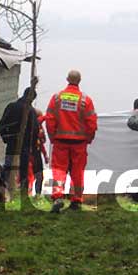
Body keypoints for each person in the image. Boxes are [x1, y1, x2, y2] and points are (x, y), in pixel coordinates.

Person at [45, 70, 98, 213]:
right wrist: (89, 138)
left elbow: (49, 119)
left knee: (58, 170)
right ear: (79, 81)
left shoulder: (56, 98)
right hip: (79, 143)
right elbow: (92, 123)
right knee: (78, 171)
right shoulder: (85, 100)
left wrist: (52, 137)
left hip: (60, 142)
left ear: (67, 79)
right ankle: (76, 199)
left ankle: (57, 197)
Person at [0, 88, 39, 192]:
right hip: (24, 148)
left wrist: (6, 139)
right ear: (32, 98)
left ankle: (5, 191)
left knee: (9, 168)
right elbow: (35, 132)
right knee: (22, 172)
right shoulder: (31, 111)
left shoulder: (11, 107)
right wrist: (33, 149)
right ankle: (22, 193)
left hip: (11, 145)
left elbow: (2, 125)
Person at [27, 108, 49, 196]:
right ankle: (28, 194)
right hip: (30, 154)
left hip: (37, 153)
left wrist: (45, 155)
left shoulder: (39, 127)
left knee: (39, 176)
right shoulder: (31, 125)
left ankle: (38, 195)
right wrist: (50, 114)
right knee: (30, 176)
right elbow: (40, 120)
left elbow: (41, 143)